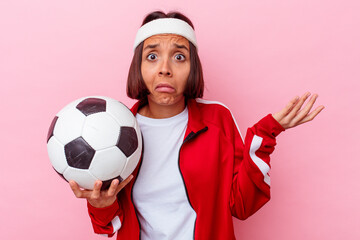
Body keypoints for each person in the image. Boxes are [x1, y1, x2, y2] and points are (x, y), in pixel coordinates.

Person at [69, 11, 324, 240]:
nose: (165, 69)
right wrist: (102, 204)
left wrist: (265, 133)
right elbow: (113, 226)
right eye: (152, 56)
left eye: (179, 56)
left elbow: (243, 206)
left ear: (193, 68)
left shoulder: (217, 120)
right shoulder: (116, 134)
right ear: (138, 66)